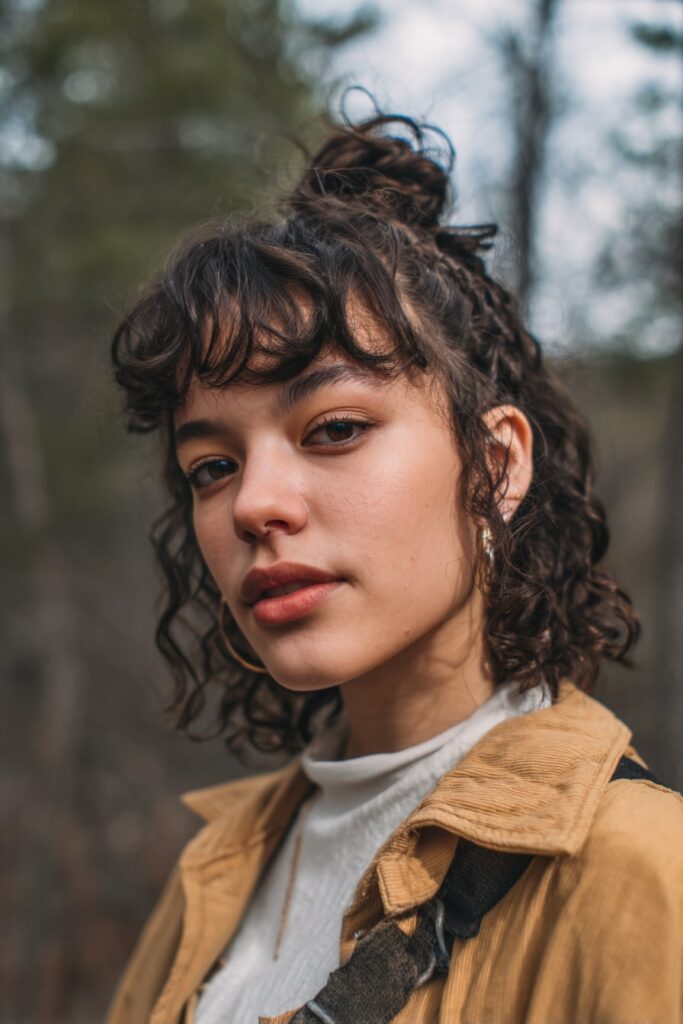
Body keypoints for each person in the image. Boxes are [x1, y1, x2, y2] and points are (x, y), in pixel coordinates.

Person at [106, 112, 683, 1024]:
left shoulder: (643, 876)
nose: (254, 504)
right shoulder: (215, 871)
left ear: (494, 465)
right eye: (210, 466)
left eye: (333, 429)